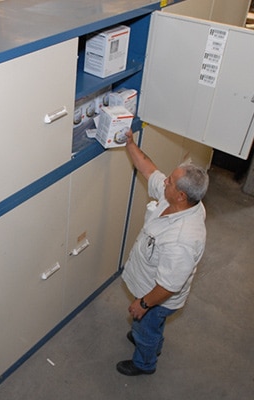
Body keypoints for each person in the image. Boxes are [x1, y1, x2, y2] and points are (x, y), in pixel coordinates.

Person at [116, 129, 209, 376]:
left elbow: (169, 285)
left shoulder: (183, 240)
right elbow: (148, 170)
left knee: (145, 328)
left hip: (156, 298)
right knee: (150, 327)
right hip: (151, 285)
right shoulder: (180, 201)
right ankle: (150, 339)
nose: (164, 180)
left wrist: (143, 304)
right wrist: (130, 143)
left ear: (180, 195)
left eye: (170, 180)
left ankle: (144, 363)